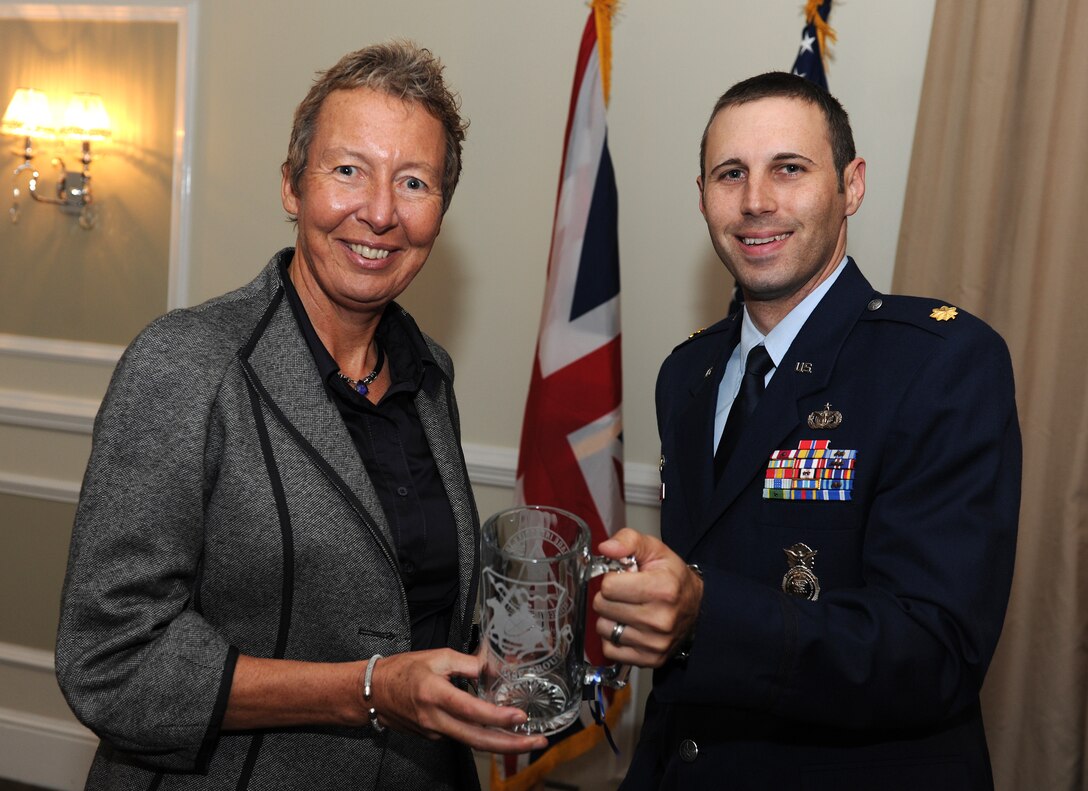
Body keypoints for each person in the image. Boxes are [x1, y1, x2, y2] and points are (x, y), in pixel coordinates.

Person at [56, 42, 546, 790]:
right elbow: (110, 660)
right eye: (347, 169)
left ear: (439, 212)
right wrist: (369, 689)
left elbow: (412, 606)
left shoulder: (428, 373)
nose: (379, 212)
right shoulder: (186, 362)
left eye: (413, 181)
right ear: (292, 185)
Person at [592, 72, 1020, 790]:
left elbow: (935, 648)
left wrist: (707, 613)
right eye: (731, 174)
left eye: (788, 169)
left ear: (851, 186)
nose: (756, 200)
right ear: (702, 196)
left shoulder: (940, 362)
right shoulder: (687, 375)